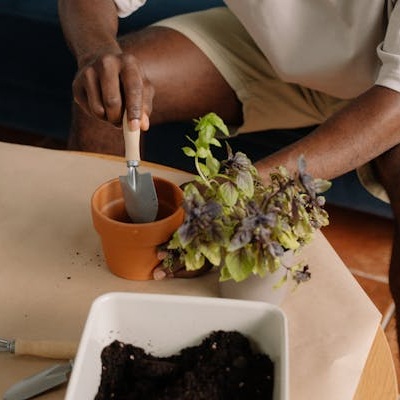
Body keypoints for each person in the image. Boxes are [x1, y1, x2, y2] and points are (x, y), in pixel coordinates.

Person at [58, 0, 400, 343]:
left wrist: (240, 187)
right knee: (109, 91)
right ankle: (90, 289)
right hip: (270, 48)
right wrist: (97, 52)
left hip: (387, 80)